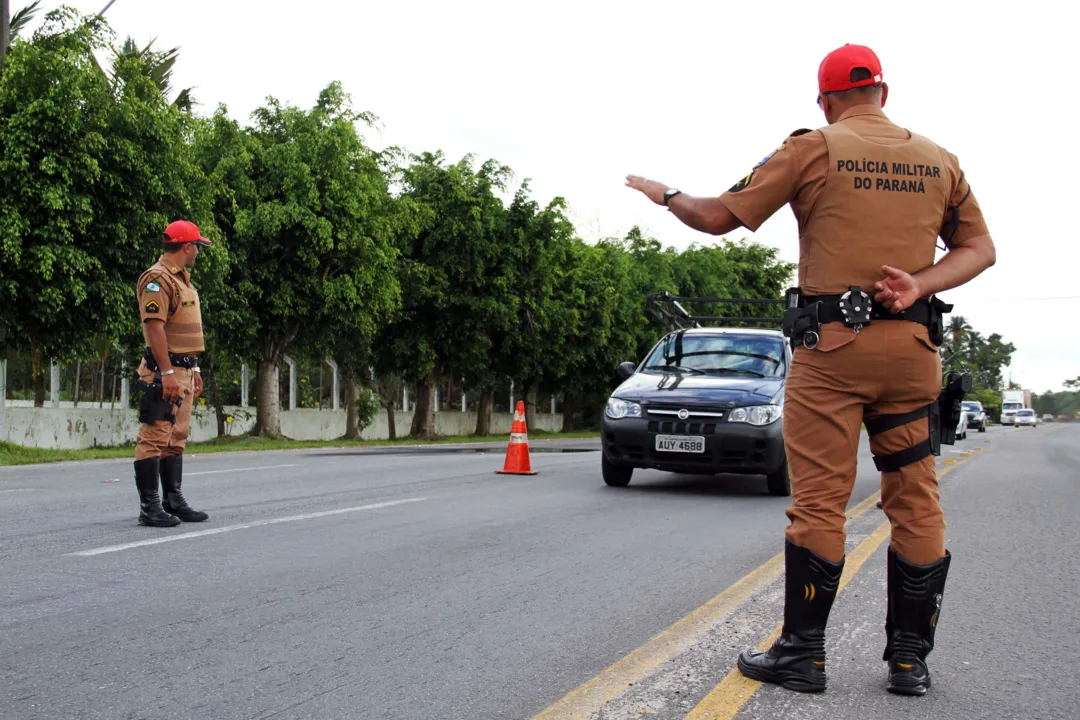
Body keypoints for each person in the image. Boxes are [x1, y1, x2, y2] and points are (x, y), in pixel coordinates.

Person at [625, 44, 996, 696]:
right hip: (913, 353)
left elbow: (716, 217)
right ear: (884, 92)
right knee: (916, 502)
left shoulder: (814, 146)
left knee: (821, 502)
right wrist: (919, 283)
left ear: (825, 99)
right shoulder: (941, 160)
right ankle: (909, 662)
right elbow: (981, 249)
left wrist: (667, 195)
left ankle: (803, 655)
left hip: (833, 355)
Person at [132, 219, 212, 528]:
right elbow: (155, 327)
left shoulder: (182, 279)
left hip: (184, 370)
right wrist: (166, 371)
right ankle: (150, 507)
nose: (198, 252)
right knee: (154, 436)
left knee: (175, 437)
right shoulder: (157, 279)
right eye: (198, 247)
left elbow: (181, 329)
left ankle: (172, 500)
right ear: (187, 247)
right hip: (165, 371)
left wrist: (194, 368)